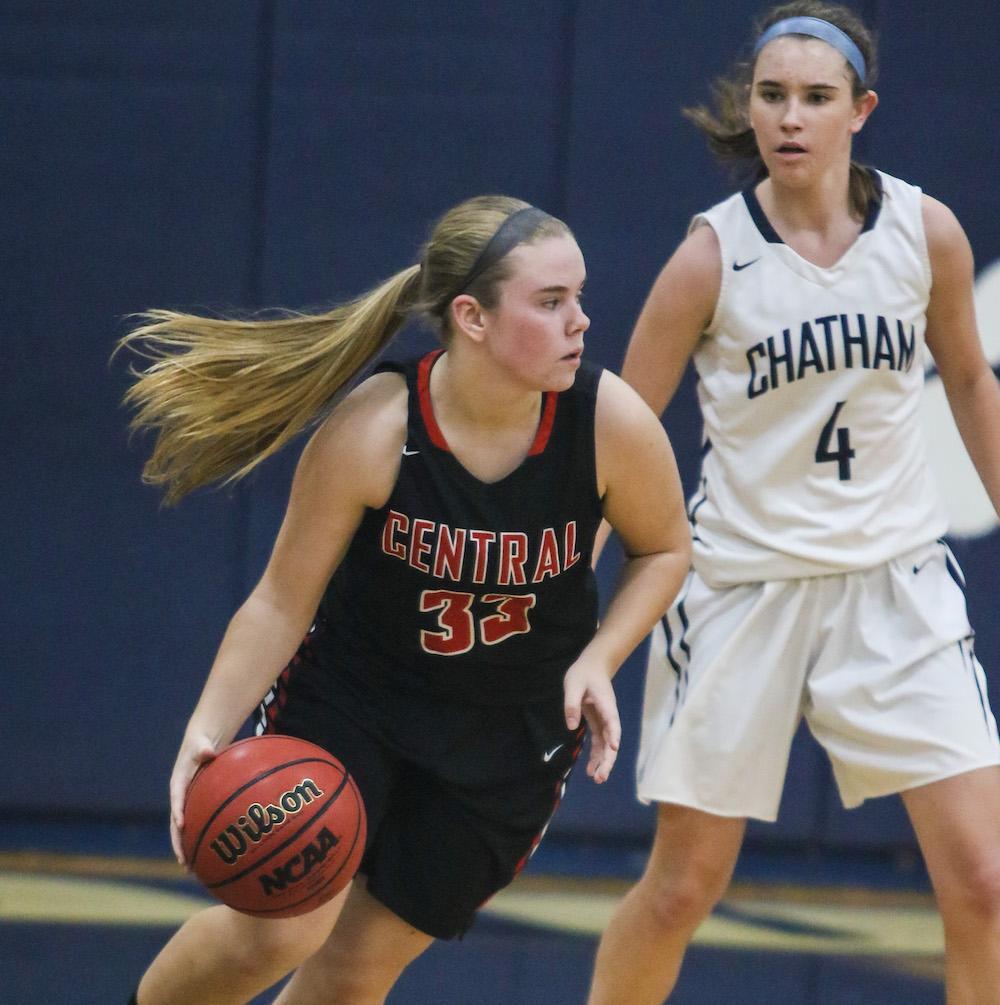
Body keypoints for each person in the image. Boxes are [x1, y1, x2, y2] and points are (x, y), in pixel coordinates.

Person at [117, 194, 691, 1005]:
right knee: (281, 924)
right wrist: (204, 731)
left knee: (355, 970)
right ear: (473, 317)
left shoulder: (607, 423)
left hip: (509, 733)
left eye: (581, 298)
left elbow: (666, 548)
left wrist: (601, 656)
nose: (582, 322)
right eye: (552, 301)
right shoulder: (379, 428)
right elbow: (282, 601)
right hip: (362, 697)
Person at [586, 4, 1000, 1004]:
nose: (790, 116)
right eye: (772, 95)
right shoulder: (709, 257)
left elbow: (970, 384)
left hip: (893, 582)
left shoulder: (923, 229)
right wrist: (570, 588)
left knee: (985, 885)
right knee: (683, 887)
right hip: (740, 587)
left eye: (815, 98)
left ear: (859, 110)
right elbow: (623, 429)